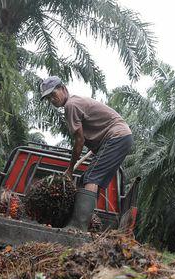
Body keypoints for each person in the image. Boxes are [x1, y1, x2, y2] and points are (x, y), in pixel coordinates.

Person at [39, 76, 133, 231]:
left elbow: (79, 141)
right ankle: (83, 221)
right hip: (119, 138)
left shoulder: (71, 105)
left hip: (117, 137)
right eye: (48, 98)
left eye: (52, 94)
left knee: (91, 178)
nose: (52, 99)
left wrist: (70, 169)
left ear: (63, 88)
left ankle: (77, 227)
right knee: (87, 180)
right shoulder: (75, 103)